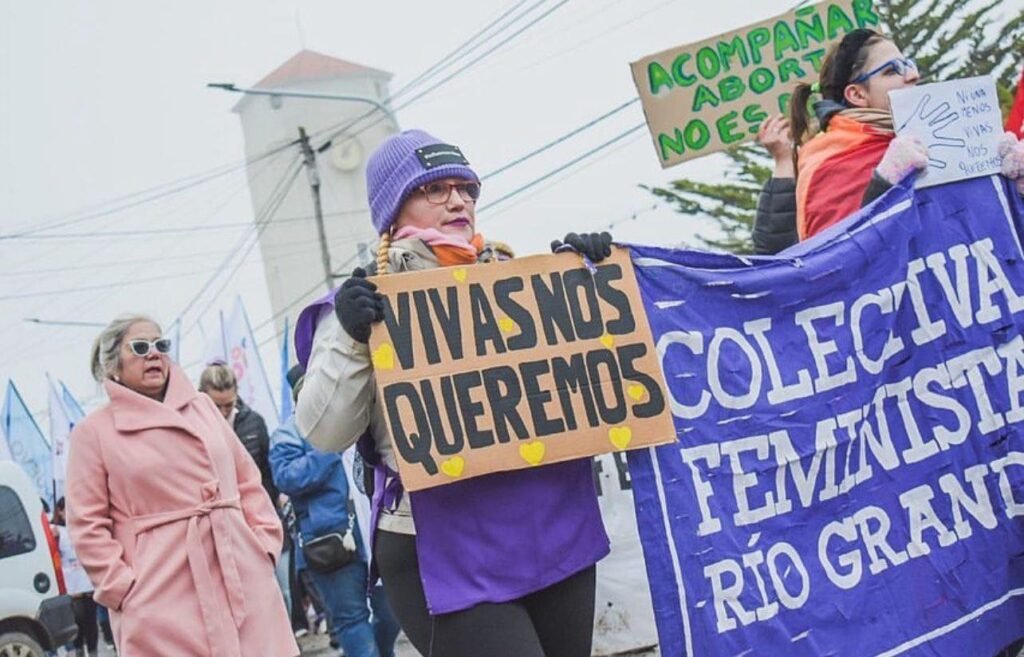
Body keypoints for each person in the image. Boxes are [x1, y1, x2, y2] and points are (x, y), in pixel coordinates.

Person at [293, 129, 614, 657]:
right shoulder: (364, 301)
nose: (458, 200)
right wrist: (352, 340)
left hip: (548, 523)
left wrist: (585, 283)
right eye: (435, 189)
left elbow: (591, 390)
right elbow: (324, 431)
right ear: (395, 209)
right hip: (437, 541)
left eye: (465, 188)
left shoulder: (515, 277)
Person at [65, 314, 298, 657]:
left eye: (161, 345)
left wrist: (263, 544)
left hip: (240, 569)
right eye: (140, 347)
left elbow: (248, 480)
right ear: (113, 363)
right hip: (159, 592)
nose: (154, 354)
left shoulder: (203, 408)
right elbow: (86, 524)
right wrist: (123, 589)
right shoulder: (94, 432)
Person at [752, 29, 1024, 253]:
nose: (913, 75)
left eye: (908, 64)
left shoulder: (941, 137)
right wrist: (885, 184)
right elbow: (834, 268)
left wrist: (1014, 189)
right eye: (892, 70)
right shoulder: (831, 164)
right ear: (858, 94)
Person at [270, 365, 398, 657]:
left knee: (392, 613)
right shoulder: (287, 433)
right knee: (352, 621)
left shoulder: (359, 418)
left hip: (375, 533)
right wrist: (329, 445)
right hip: (329, 541)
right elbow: (287, 477)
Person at [53, 497, 98, 657]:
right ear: (59, 512)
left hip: (88, 582)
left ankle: (93, 652)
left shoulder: (81, 527)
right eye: (66, 510)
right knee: (78, 621)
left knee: (91, 622)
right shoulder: (56, 530)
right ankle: (78, 650)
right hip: (71, 586)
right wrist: (54, 539)